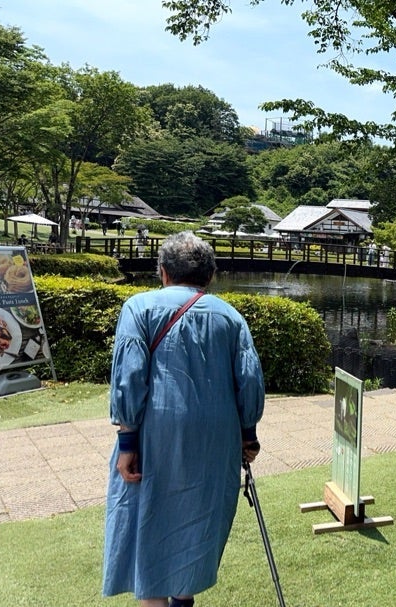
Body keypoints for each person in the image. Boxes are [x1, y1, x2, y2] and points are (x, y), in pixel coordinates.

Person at [103, 232, 266, 607]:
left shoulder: (138, 308)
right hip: (217, 435)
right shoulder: (231, 317)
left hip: (155, 432)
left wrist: (127, 442)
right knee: (198, 515)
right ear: (210, 276)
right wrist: (248, 434)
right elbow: (249, 380)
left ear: (162, 272)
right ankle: (183, 598)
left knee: (147, 515)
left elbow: (129, 377)